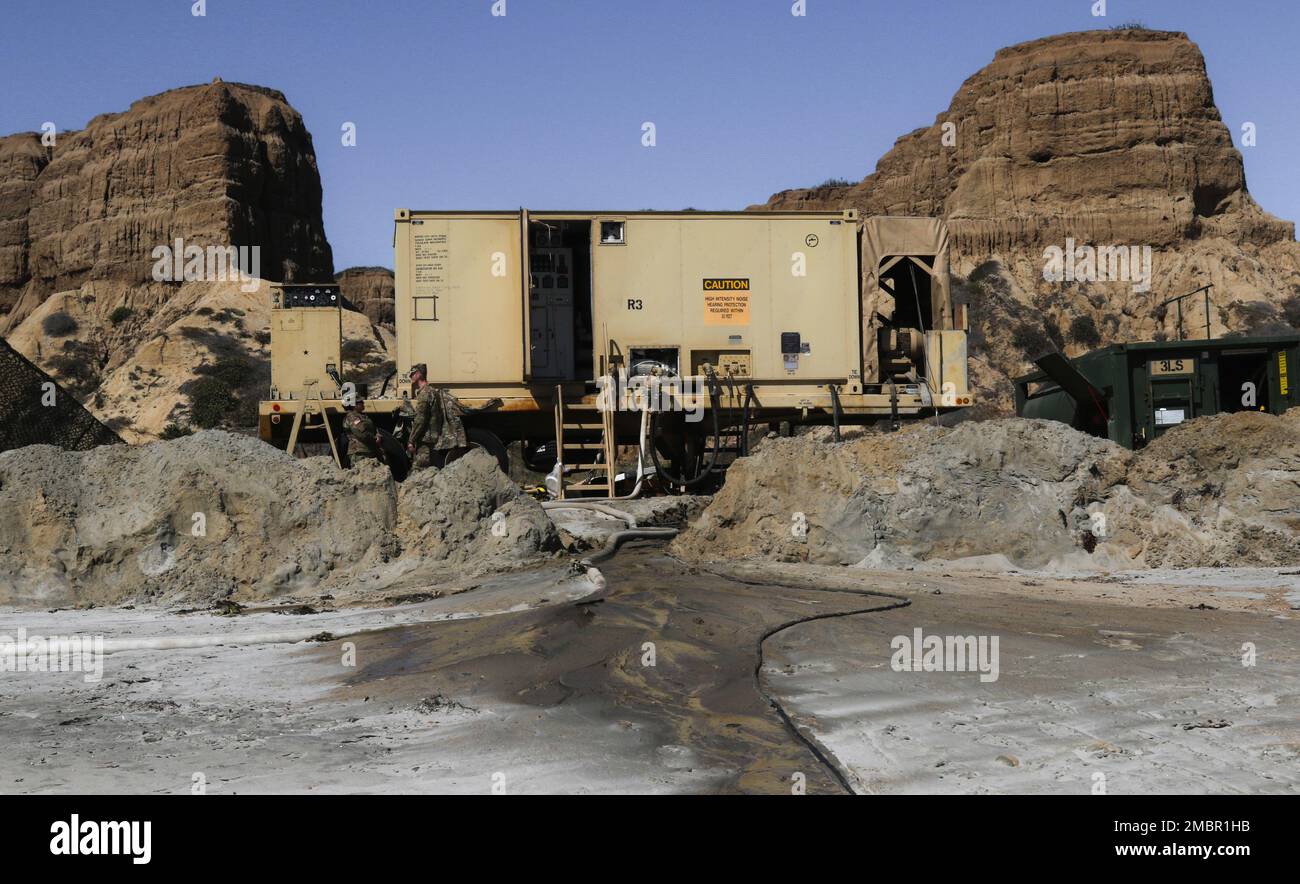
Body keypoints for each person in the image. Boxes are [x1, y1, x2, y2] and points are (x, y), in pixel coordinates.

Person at [407, 363, 470, 469]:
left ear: (419, 375)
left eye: (412, 373)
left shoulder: (424, 394)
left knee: (420, 470)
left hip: (425, 441)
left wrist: (411, 440)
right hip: (434, 438)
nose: (410, 376)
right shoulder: (433, 391)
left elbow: (420, 420)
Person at [342, 398, 384, 464]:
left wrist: (377, 435)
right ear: (354, 405)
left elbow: (373, 429)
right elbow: (361, 433)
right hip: (359, 452)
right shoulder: (352, 417)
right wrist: (374, 438)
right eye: (360, 402)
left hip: (369, 450)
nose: (363, 403)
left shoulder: (363, 416)